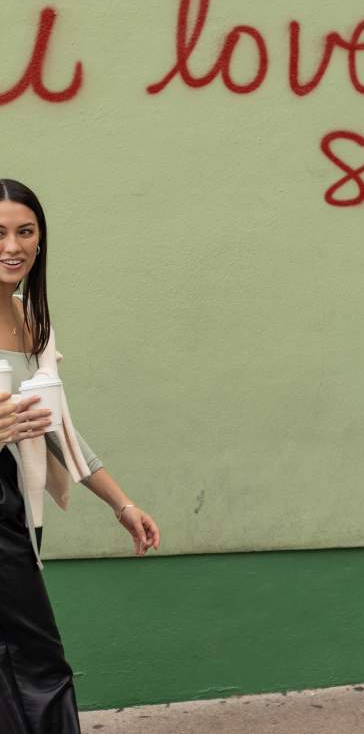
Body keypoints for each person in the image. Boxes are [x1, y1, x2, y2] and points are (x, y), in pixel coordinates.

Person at [0, 178, 160, 733]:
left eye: (25, 231)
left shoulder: (32, 323)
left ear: (40, 241)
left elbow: (59, 432)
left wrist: (122, 505)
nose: (12, 246)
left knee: (22, 664)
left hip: (16, 513)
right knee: (37, 665)